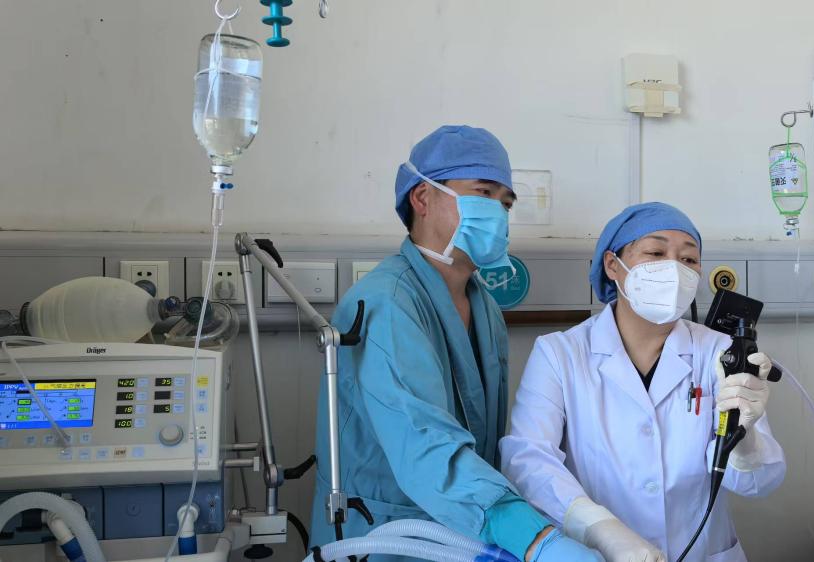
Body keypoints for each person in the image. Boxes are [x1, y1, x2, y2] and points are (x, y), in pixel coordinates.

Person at [308, 126, 599, 562]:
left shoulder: (484, 307)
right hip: (383, 538)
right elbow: (425, 446)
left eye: (505, 202)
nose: (498, 211)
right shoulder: (388, 303)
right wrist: (535, 539)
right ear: (422, 198)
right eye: (483, 193)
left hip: (463, 534)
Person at [499, 202, 787, 562]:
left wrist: (745, 444)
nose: (674, 269)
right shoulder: (560, 354)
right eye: (655, 253)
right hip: (598, 555)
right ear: (612, 265)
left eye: (689, 259)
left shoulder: (720, 351)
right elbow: (528, 461)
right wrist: (599, 528)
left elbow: (759, 484)